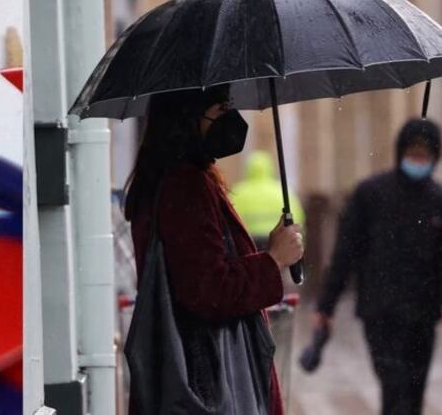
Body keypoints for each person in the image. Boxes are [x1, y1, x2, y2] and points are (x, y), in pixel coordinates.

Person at [124, 87, 304, 415]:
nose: (231, 120)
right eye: (220, 110)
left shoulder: (171, 179)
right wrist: (274, 259)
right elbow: (208, 290)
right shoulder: (185, 185)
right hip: (210, 375)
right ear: (188, 116)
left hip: (198, 368)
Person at [315, 118, 442, 415]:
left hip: (422, 314)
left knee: (413, 391)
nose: (418, 160)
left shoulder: (438, 200)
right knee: (394, 388)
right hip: (380, 311)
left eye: (425, 154)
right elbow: (345, 252)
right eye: (413, 152)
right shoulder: (371, 194)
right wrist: (326, 306)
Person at [231, 150, 305, 251]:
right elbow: (296, 216)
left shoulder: (238, 191)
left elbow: (230, 219)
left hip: (249, 241)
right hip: (278, 240)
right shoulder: (281, 190)